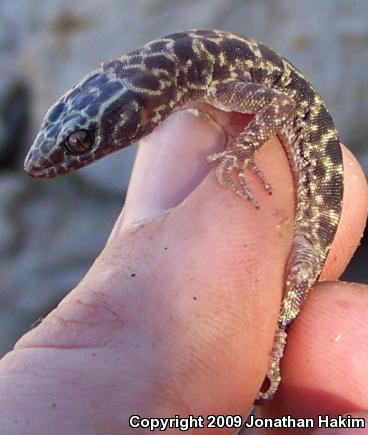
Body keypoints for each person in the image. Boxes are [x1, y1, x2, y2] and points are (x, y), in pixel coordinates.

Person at [1, 106, 367, 434]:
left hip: (313, 217)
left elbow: (281, 105)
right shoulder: (194, 87)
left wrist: (241, 150)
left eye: (82, 142)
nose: (41, 165)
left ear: (143, 107)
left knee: (290, 308)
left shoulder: (215, 85)